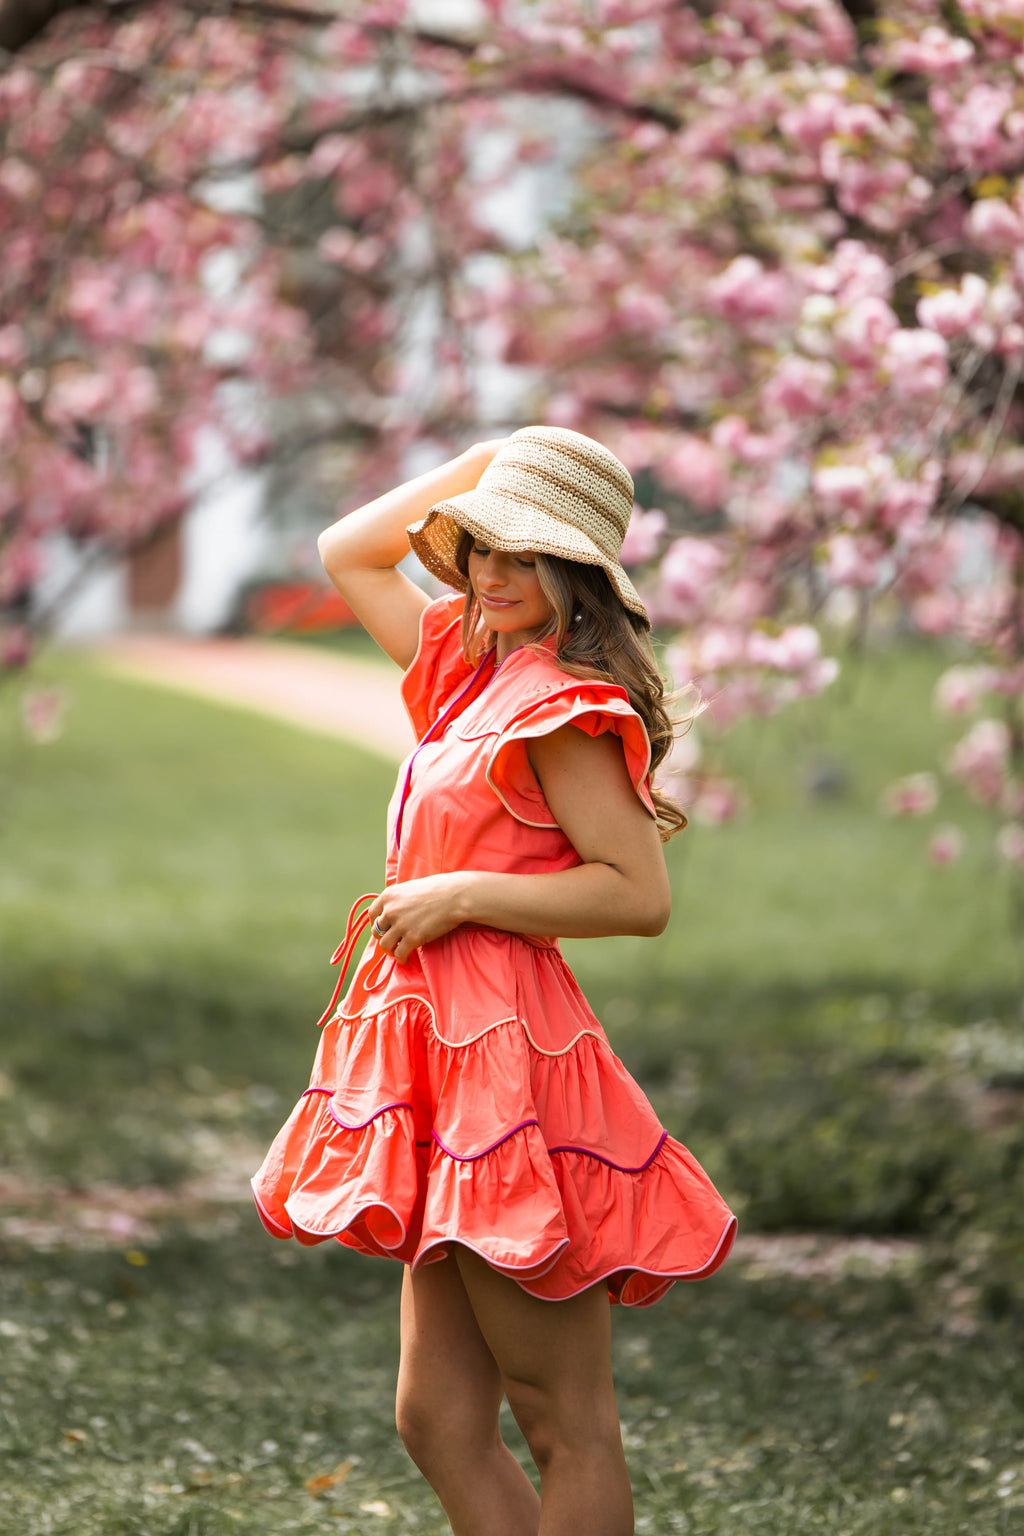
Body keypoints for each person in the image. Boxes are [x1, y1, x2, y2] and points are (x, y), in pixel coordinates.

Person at [251, 426, 737, 1536]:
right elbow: (349, 550)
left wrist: (463, 893)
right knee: (435, 1417)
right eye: (480, 548)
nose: (493, 574)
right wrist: (497, 454)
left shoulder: (563, 705)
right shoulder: (469, 673)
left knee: (560, 1414)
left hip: (510, 1064)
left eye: (527, 553)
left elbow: (635, 894)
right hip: (440, 1057)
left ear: (579, 573)